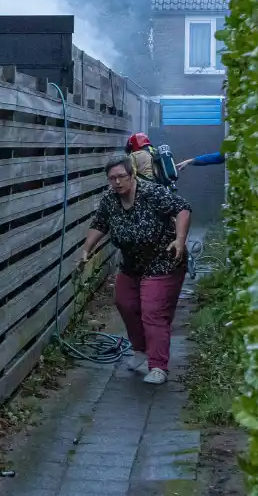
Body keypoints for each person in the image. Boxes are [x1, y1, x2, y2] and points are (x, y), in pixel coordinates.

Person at [78, 156, 192, 385]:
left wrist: (180, 239)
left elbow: (183, 209)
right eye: (112, 178)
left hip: (163, 262)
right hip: (131, 264)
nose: (117, 182)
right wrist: (86, 249)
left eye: (121, 176)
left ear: (132, 176)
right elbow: (100, 223)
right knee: (124, 303)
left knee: (153, 311)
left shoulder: (153, 193)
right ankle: (140, 350)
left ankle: (158, 366)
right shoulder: (110, 199)